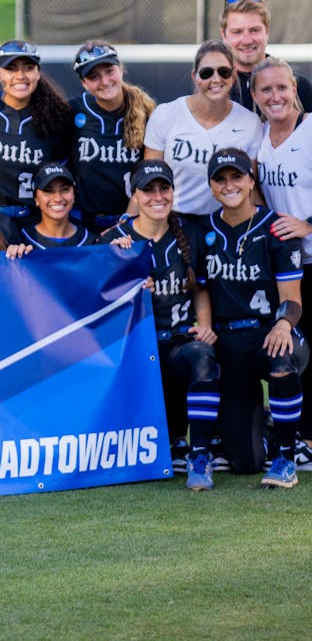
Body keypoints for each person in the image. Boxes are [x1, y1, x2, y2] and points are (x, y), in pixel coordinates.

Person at [99, 160, 219, 486]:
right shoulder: (113, 240)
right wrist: (119, 274)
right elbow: (96, 306)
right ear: (134, 195)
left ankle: (200, 455)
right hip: (133, 346)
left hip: (177, 340)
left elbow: (201, 290)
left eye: (163, 188)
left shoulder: (190, 234)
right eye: (148, 189)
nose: (157, 196)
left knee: (203, 357)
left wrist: (205, 325)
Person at [202, 149, 307, 487]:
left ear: (250, 181)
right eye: (221, 179)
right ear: (211, 186)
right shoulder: (204, 230)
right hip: (230, 341)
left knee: (281, 359)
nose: (229, 185)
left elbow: (292, 300)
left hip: (269, 332)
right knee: (245, 462)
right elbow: (199, 288)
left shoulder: (275, 227)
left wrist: (283, 324)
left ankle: (287, 457)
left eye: (237, 177)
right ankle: (267, 426)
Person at [249, 56, 312, 470]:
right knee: (293, 351)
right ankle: (293, 433)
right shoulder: (258, 140)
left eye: (282, 88)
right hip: (286, 265)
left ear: (295, 90)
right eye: (266, 90)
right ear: (254, 97)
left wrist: (307, 225)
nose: (275, 96)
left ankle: (305, 440)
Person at [143, 40, 262, 222]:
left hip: (227, 223)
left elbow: (251, 188)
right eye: (206, 73)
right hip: (175, 222)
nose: (215, 79)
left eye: (223, 72)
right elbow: (149, 181)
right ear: (195, 76)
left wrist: (267, 225)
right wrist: (129, 221)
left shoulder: (250, 122)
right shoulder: (166, 115)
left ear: (233, 75)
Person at [0, 40, 71, 229]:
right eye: (11, 69)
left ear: (38, 73)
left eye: (28, 68)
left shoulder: (55, 117)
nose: (20, 76)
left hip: (35, 221)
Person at [69, 40, 156, 233]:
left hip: (133, 222)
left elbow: (149, 177)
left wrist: (125, 223)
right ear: (84, 83)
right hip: (84, 226)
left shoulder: (148, 113)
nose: (105, 81)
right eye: (94, 76)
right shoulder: (73, 112)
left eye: (109, 71)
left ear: (121, 69)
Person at [219, 0, 312, 113]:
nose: (247, 40)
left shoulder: (299, 87)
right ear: (224, 35)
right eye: (237, 32)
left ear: (267, 31)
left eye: (254, 30)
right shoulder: (215, 89)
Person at [5, 162, 95, 258]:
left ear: (74, 195)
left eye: (65, 189)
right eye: (48, 191)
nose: (58, 198)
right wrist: (12, 255)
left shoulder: (92, 242)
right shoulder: (21, 241)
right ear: (36, 199)